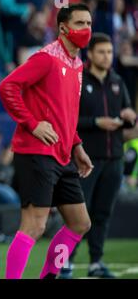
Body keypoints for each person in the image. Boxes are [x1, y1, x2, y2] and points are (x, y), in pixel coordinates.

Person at [0, 3, 94, 279]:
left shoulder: (77, 64)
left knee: (79, 223)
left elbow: (65, 114)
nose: (85, 29)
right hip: (35, 152)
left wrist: (77, 145)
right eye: (79, 24)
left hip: (62, 155)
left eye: (88, 24)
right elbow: (7, 87)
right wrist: (32, 123)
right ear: (63, 28)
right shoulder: (46, 58)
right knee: (34, 227)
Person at [60, 33, 137, 279]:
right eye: (102, 52)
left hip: (114, 158)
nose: (107, 56)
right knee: (77, 214)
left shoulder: (118, 82)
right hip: (85, 159)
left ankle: (96, 262)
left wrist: (130, 117)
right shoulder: (78, 81)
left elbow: (128, 121)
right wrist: (95, 122)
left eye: (110, 52)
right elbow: (67, 120)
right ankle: (65, 263)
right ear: (90, 54)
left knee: (103, 213)